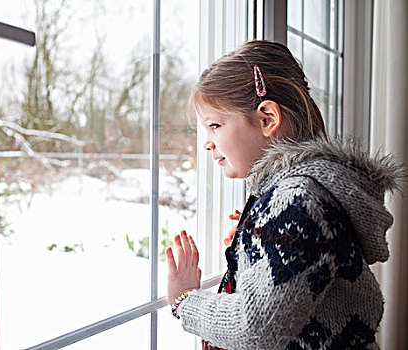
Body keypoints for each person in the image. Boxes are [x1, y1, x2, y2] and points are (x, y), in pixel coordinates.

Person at [166, 40, 405, 350]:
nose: (207, 142)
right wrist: (257, 247)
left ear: (267, 119)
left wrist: (184, 301)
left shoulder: (296, 201)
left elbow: (256, 328)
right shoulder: (301, 194)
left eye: (215, 125)